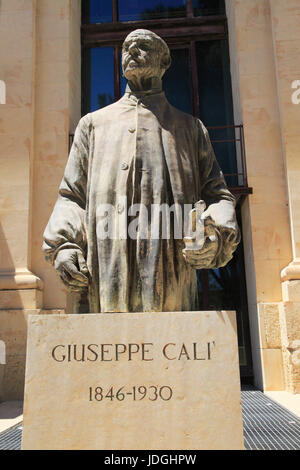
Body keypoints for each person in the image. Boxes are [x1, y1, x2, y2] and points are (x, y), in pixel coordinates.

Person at [43, 29, 240, 313]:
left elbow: (218, 195)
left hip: (172, 272)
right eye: (126, 47)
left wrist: (215, 235)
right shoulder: (93, 125)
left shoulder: (190, 128)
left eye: (143, 45)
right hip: (109, 268)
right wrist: (65, 246)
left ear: (165, 62)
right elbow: (71, 196)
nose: (131, 51)